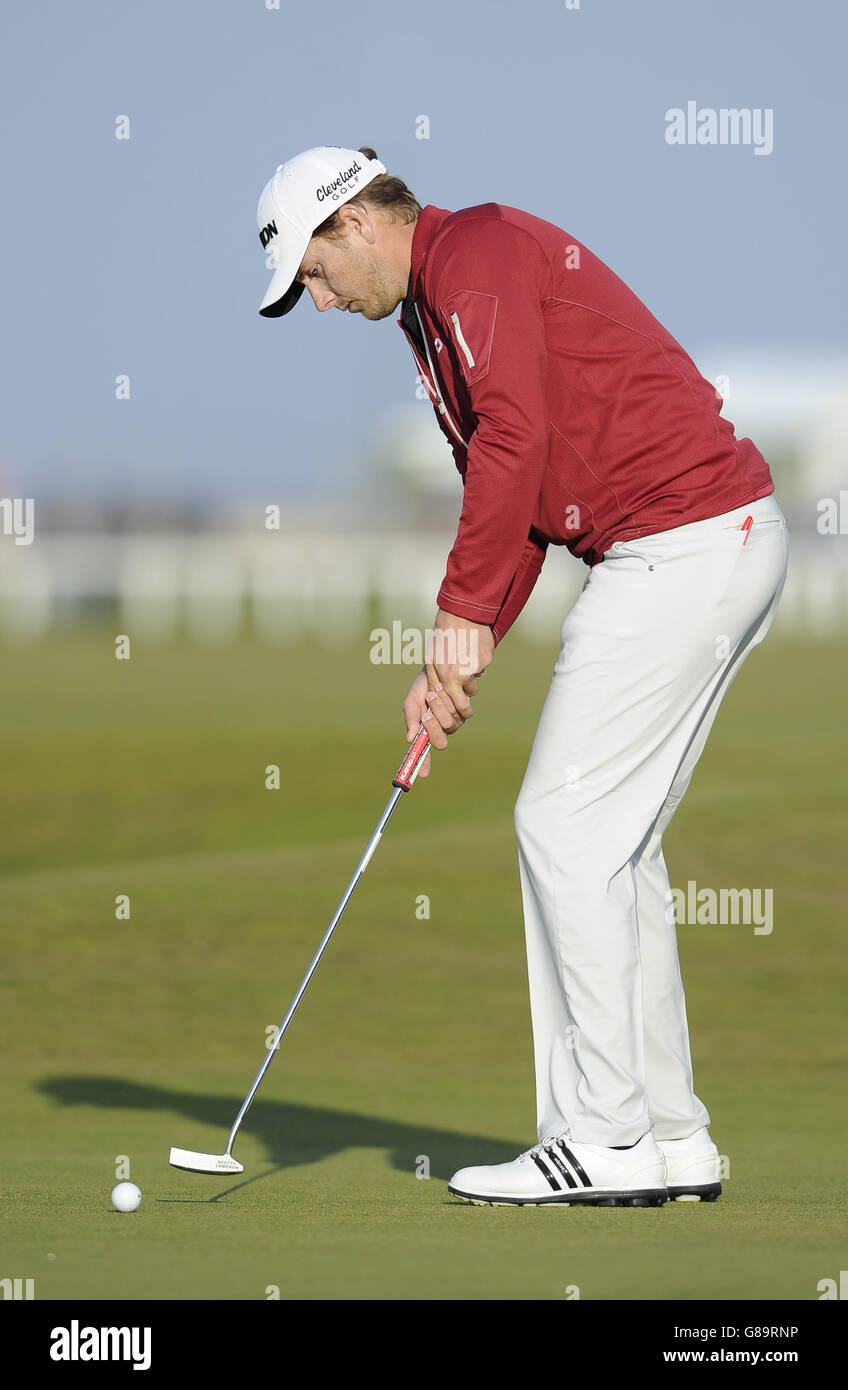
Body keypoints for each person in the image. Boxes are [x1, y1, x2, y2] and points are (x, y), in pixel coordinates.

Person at [256, 144, 788, 1207]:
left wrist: (455, 615)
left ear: (354, 221)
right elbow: (523, 493)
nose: (317, 303)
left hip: (681, 541)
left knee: (560, 826)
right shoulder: (432, 310)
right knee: (611, 846)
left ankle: (601, 1134)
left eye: (313, 275)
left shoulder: (476, 251)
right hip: (692, 545)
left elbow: (515, 436)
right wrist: (458, 652)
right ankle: (669, 1135)